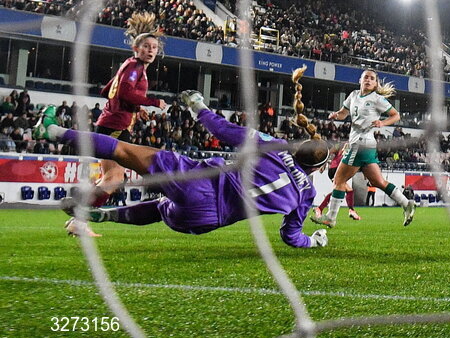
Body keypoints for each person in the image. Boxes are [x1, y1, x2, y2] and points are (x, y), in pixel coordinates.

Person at [38, 84, 330, 248]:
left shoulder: (275, 147)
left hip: (204, 181)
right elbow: (290, 236)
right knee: (159, 208)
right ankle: (104, 217)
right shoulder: (307, 195)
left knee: (127, 151)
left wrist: (198, 106)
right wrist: (313, 242)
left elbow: (224, 131)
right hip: (205, 219)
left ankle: (52, 132)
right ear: (317, 169)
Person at [66, 12, 168, 237]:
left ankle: (79, 214)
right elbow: (123, 91)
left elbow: (107, 91)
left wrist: (134, 108)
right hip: (116, 127)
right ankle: (80, 215)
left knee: (113, 176)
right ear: (136, 48)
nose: (151, 50)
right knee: (115, 177)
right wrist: (152, 102)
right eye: (146, 46)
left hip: (112, 124)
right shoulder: (135, 67)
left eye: (153, 47)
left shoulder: (128, 65)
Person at [310, 69, 415, 227]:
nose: (368, 80)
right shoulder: (353, 95)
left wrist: (382, 123)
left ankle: (330, 218)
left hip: (360, 143)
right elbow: (343, 114)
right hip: (366, 145)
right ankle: (407, 204)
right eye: (366, 77)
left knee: (339, 180)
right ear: (360, 80)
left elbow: (396, 115)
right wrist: (335, 115)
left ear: (375, 84)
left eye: (372, 78)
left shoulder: (377, 99)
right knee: (378, 181)